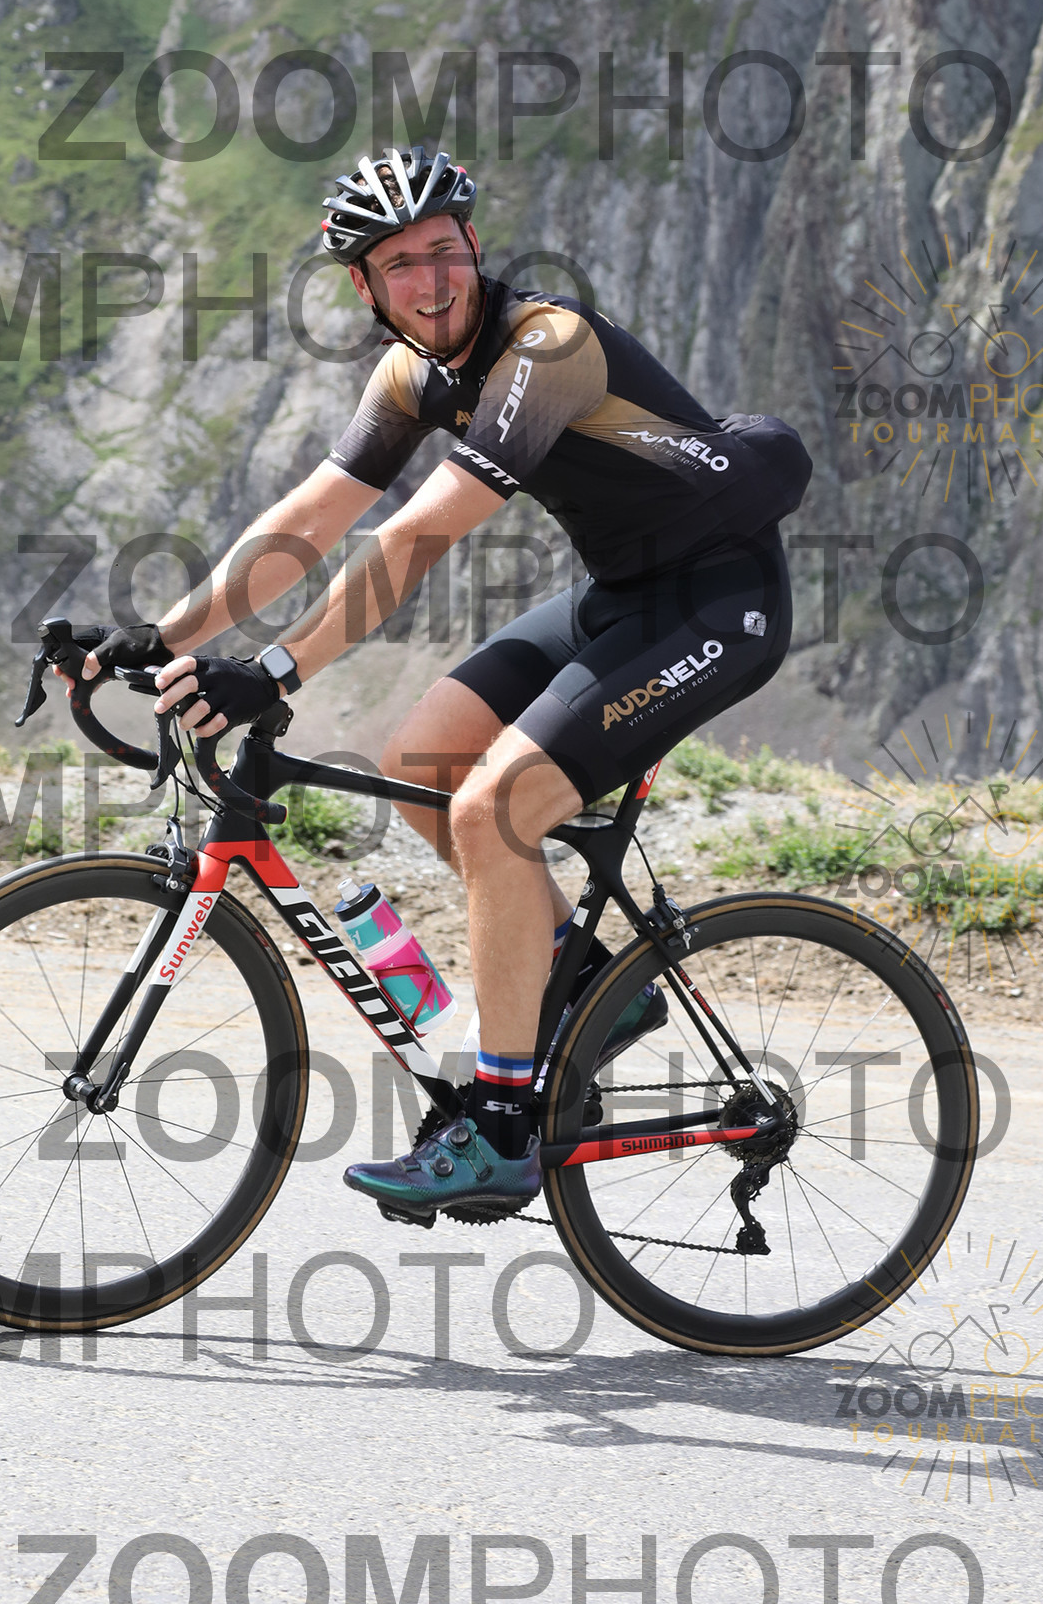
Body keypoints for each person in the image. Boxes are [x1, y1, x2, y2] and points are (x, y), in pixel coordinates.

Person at [73, 144, 811, 1224]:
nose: (432, 281)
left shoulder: (547, 346)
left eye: (443, 250)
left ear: (473, 244)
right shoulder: (410, 374)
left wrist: (273, 669)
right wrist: (154, 639)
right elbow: (308, 520)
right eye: (400, 265)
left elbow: (416, 538)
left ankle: (502, 1133)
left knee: (493, 808)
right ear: (365, 289)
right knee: (421, 761)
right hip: (622, 596)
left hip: (717, 605)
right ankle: (591, 994)